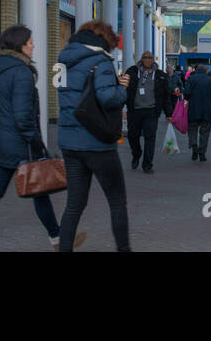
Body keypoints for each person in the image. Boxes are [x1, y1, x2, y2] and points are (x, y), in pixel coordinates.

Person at [0, 26, 85, 252]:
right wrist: (37, 144)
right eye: (30, 42)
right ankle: (58, 240)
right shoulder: (21, 72)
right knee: (38, 190)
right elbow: (22, 116)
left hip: (1, 140)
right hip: (19, 144)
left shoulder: (1, 69)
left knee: (0, 192)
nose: (33, 45)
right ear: (19, 44)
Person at [55, 19, 130, 252]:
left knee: (74, 204)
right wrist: (122, 88)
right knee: (117, 201)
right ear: (105, 39)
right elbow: (108, 98)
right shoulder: (101, 62)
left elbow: (67, 95)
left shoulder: (62, 60)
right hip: (96, 142)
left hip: (69, 142)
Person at [125, 49, 174, 173]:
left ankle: (147, 165)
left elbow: (166, 96)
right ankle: (136, 154)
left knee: (150, 138)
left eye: (150, 58)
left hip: (151, 112)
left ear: (153, 60)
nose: (147, 60)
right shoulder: (131, 72)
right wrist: (120, 108)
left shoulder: (160, 75)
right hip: (134, 110)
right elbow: (124, 89)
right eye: (145, 57)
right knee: (132, 136)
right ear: (141, 59)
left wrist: (169, 114)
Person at [182, 63, 211, 161]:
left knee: (192, 130)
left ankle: (194, 145)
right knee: (205, 133)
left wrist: (188, 97)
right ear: (206, 71)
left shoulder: (191, 79)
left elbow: (186, 93)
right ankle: (202, 153)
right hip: (207, 111)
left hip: (193, 109)